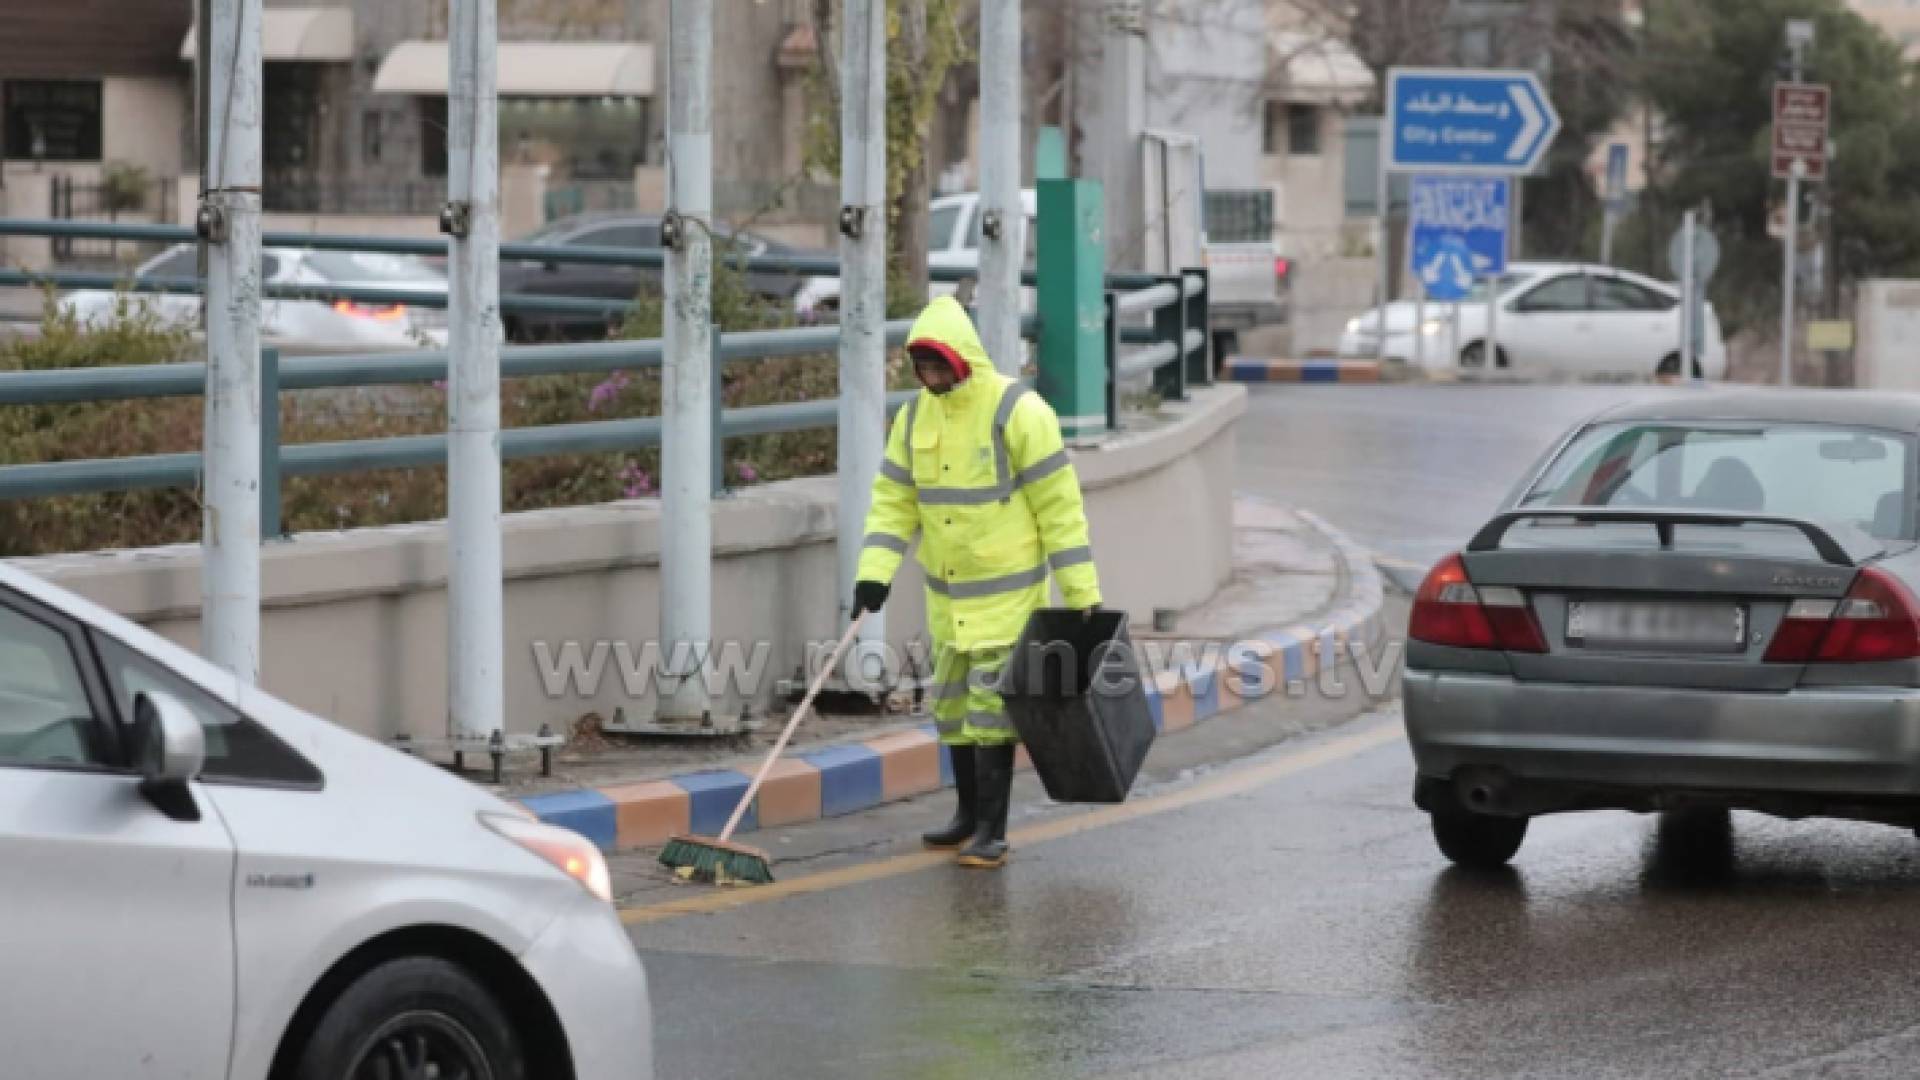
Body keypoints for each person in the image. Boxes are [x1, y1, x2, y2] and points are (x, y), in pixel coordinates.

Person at [851, 295, 1101, 869]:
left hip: (1008, 597)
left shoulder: (1018, 410)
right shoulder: (914, 417)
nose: (932, 378)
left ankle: (993, 829)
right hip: (947, 597)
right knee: (953, 708)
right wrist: (873, 576)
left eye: (940, 365)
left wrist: (1083, 595)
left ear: (963, 358)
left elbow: (1060, 509)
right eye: (923, 367)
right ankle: (966, 815)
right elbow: (893, 502)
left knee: (992, 711)